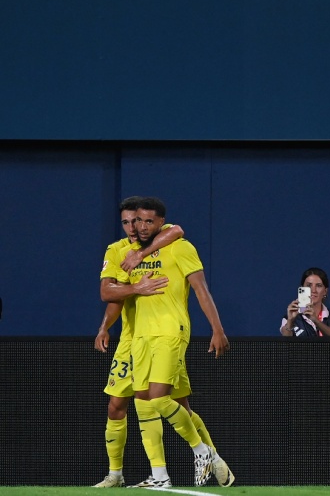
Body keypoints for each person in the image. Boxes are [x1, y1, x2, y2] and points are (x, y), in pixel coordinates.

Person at [95, 197, 234, 489]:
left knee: (163, 400)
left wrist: (217, 328)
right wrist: (108, 323)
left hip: (169, 332)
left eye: (143, 221)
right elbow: (109, 293)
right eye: (129, 222)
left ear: (158, 223)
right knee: (139, 404)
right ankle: (156, 476)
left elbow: (181, 239)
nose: (136, 227)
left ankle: (205, 452)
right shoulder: (121, 251)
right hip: (136, 338)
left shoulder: (174, 244)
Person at [281, 267, 330, 337]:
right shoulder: (288, 318)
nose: (313, 290)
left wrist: (315, 320)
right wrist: (290, 321)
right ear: (302, 288)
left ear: (325, 291)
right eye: (309, 285)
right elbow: (285, 344)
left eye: (318, 286)